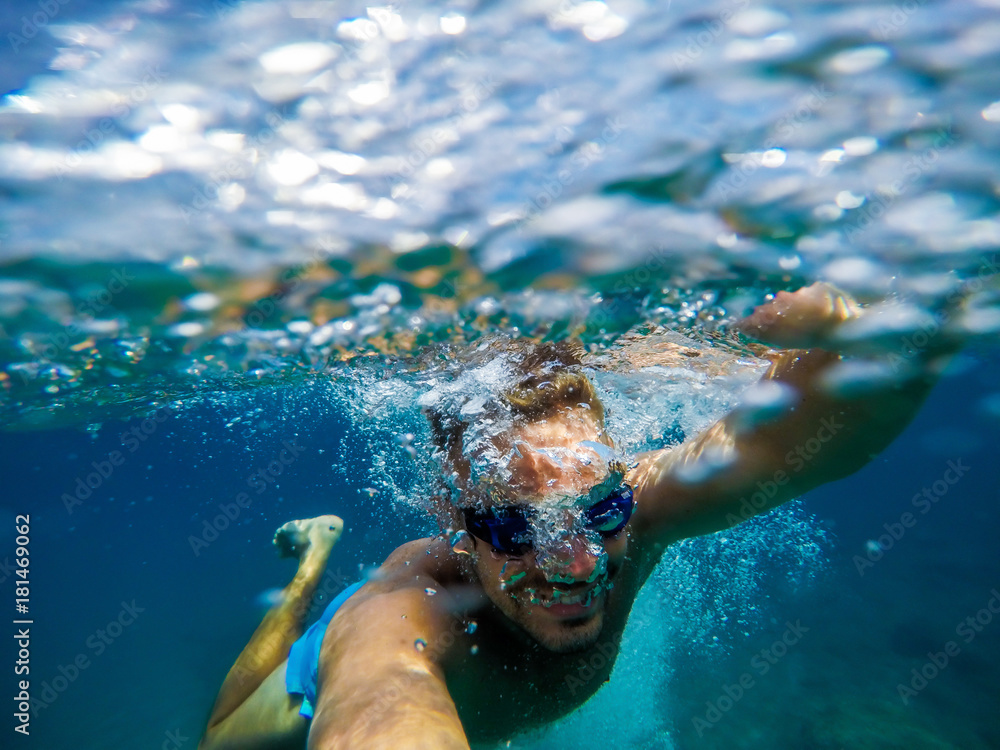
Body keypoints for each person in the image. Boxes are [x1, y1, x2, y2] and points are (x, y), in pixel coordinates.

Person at [198, 282, 948, 750]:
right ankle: (310, 565)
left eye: (601, 511)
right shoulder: (402, 612)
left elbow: (812, 445)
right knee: (220, 736)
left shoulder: (643, 511)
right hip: (311, 682)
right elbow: (378, 704)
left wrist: (864, 334)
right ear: (458, 523)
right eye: (517, 529)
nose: (578, 562)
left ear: (621, 482)